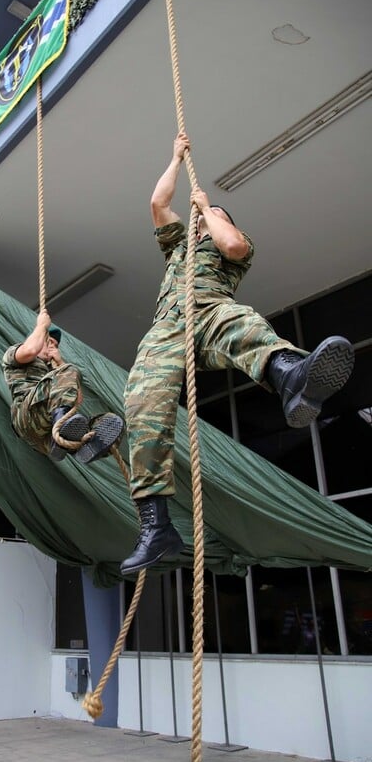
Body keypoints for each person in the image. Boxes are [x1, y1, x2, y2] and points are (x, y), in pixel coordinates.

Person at [121, 132, 354, 575]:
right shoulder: (177, 247)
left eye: (206, 220)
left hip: (209, 314)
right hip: (166, 332)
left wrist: (210, 209)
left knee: (241, 325)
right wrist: (174, 158)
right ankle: (156, 526)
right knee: (142, 405)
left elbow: (231, 245)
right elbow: (157, 204)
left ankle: (292, 376)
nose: (196, 222)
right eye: (196, 220)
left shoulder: (233, 248)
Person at [2, 309, 124, 463]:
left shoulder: (55, 372)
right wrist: (41, 325)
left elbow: (76, 401)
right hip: (26, 416)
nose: (53, 348)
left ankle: (78, 446)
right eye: (49, 342)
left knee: (109, 420)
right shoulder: (14, 355)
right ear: (38, 339)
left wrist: (60, 363)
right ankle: (62, 425)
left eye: (56, 345)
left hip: (45, 437)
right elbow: (30, 350)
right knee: (69, 370)